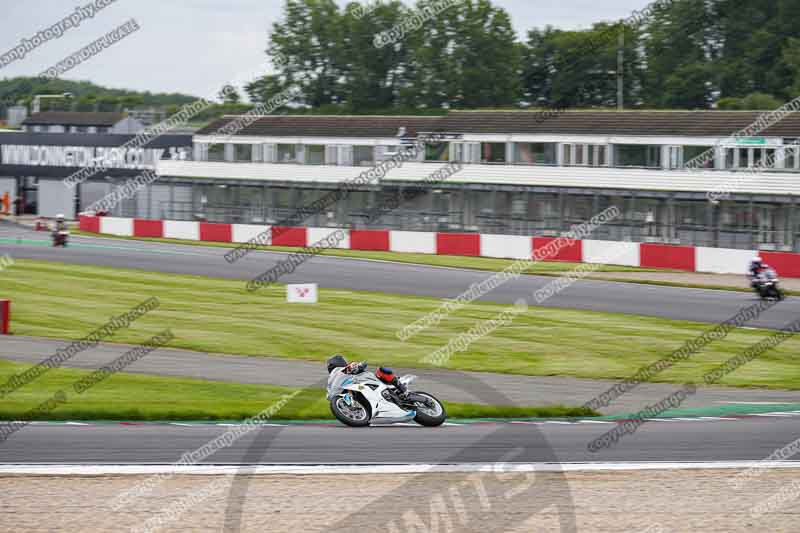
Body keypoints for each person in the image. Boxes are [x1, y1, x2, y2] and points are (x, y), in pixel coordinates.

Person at [326, 354, 408, 396]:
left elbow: (361, 365)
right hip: (359, 388)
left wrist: (360, 365)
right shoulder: (333, 379)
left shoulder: (347, 370)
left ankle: (401, 387)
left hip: (371, 381)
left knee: (381, 370)